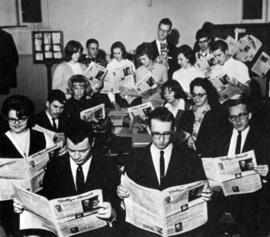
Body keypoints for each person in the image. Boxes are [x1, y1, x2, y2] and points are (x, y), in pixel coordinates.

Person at [117, 107, 212, 237]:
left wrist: (206, 194)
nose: (161, 140)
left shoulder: (189, 157)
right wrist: (122, 195)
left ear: (173, 131)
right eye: (156, 134)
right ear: (149, 130)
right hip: (146, 231)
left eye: (166, 134)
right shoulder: (135, 158)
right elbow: (128, 199)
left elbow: (201, 188)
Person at [14, 121, 119, 237]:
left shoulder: (107, 166)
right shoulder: (55, 166)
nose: (77, 156)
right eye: (71, 150)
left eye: (83, 151)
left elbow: (117, 204)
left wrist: (112, 214)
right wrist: (25, 207)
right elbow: (46, 199)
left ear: (92, 143)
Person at [204, 95, 270, 237]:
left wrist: (267, 170)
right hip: (222, 192)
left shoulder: (263, 138)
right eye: (233, 117)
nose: (238, 120)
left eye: (241, 115)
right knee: (205, 213)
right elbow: (209, 162)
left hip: (251, 194)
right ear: (229, 119)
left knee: (251, 216)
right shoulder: (220, 137)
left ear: (249, 115)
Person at [0, 95, 49, 237]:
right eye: (12, 119)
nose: (17, 123)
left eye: (22, 119)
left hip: (38, 201)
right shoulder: (1, 140)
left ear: (29, 117)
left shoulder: (42, 137)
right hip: (9, 206)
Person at [178, 78, 226, 156]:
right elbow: (179, 137)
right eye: (194, 94)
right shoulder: (187, 114)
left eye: (200, 95)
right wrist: (186, 138)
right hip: (188, 157)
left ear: (208, 94)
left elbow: (218, 141)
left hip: (208, 156)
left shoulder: (216, 113)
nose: (196, 98)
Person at [104, 41, 136, 109]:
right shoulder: (110, 65)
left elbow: (134, 83)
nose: (116, 56)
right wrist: (114, 102)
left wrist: (134, 75)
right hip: (117, 96)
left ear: (123, 52)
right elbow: (108, 87)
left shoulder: (129, 63)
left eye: (118, 53)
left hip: (130, 94)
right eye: (114, 53)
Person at [135, 42, 168, 107]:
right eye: (140, 59)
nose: (142, 62)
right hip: (146, 103)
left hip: (160, 103)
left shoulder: (162, 68)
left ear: (150, 56)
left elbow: (167, 88)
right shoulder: (139, 71)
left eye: (144, 59)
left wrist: (160, 85)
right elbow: (138, 91)